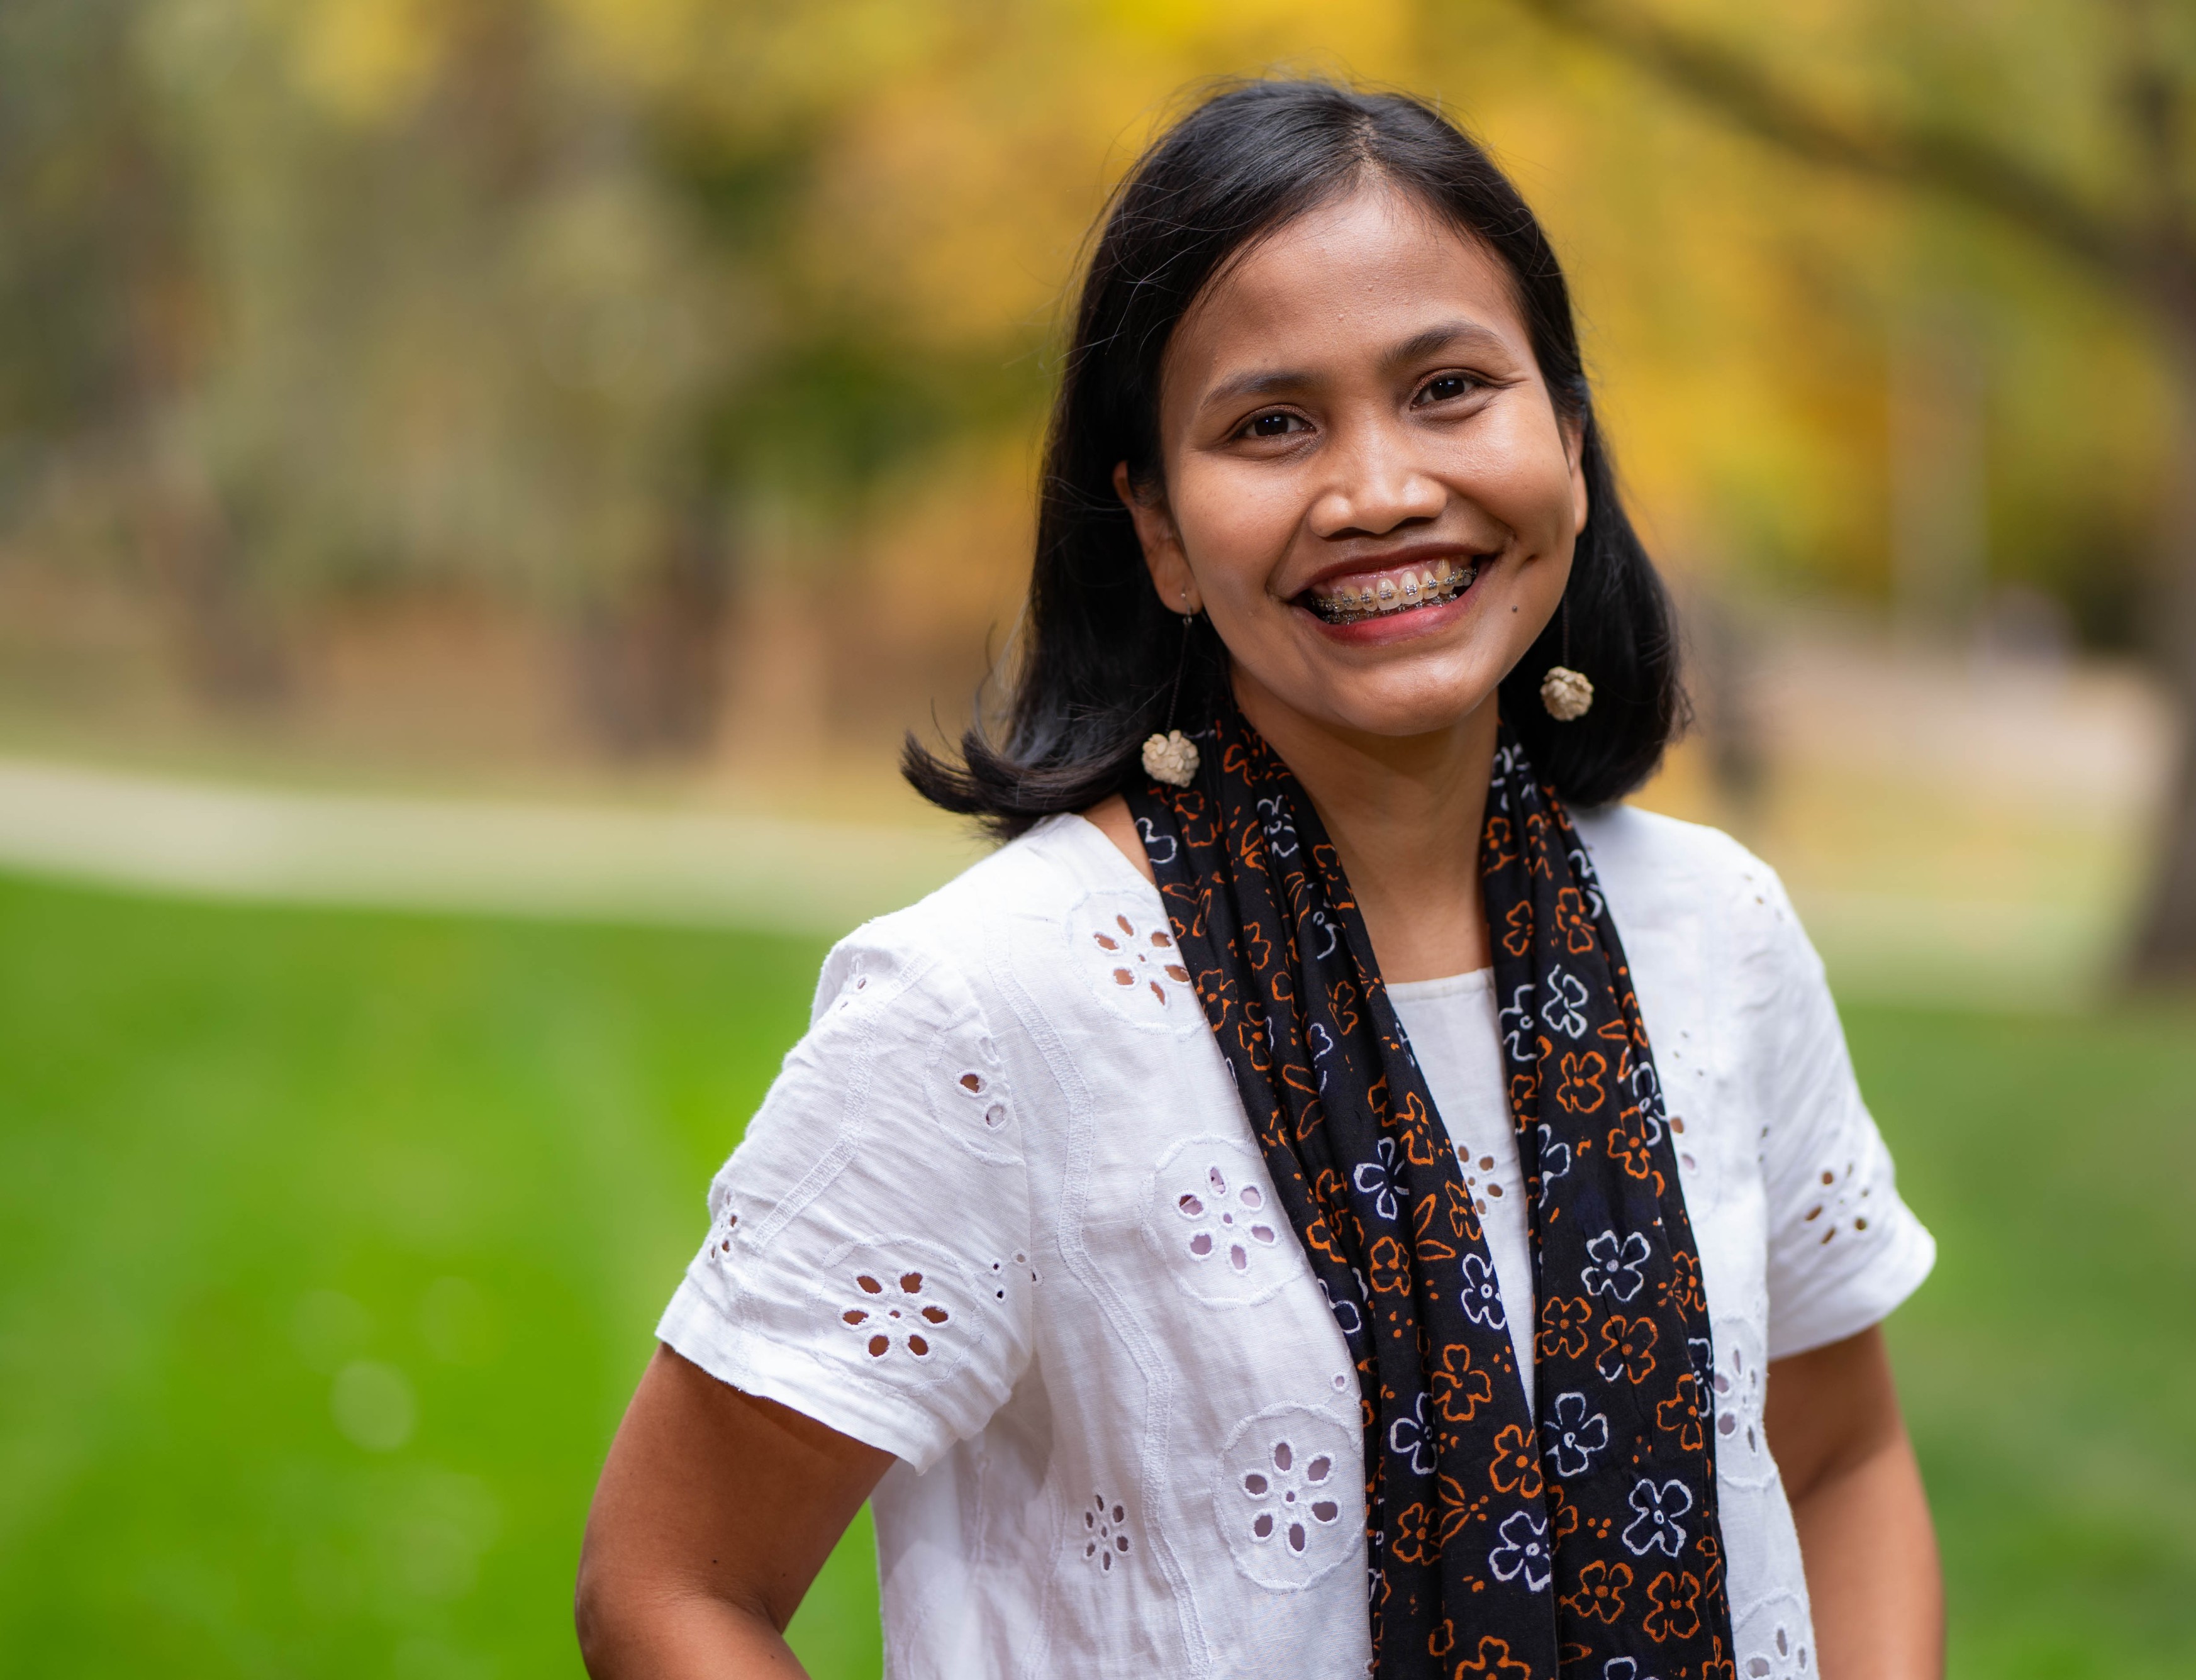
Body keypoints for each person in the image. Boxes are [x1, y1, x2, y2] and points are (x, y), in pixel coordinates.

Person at [576, 80, 1942, 1680]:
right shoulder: (992, 1008)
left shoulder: (1716, 936)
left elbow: (1841, 1457)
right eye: (1271, 424)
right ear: (1156, 527)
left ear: (1567, 437)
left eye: (1449, 387)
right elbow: (671, 1585)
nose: (1377, 491)